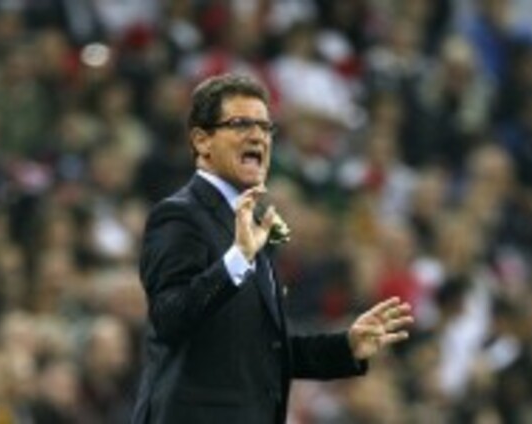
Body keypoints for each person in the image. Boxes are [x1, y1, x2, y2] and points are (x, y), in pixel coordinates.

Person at [131, 73, 414, 424]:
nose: (258, 136)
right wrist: (237, 259)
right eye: (240, 124)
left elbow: (264, 350)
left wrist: (346, 347)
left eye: (265, 127)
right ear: (202, 141)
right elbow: (169, 319)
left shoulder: (251, 221)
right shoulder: (179, 216)